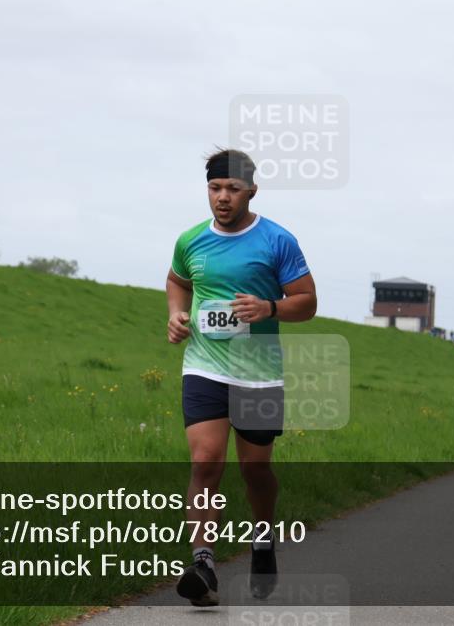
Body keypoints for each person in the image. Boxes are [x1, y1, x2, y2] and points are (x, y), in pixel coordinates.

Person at [166, 149, 317, 606]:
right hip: (204, 367)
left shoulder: (277, 241)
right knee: (205, 462)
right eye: (215, 188)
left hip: (259, 374)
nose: (223, 198)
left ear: (252, 190)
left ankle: (263, 538)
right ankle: (204, 562)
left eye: (232, 189)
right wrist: (175, 314)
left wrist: (269, 307)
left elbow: (307, 302)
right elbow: (177, 281)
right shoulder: (191, 240)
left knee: (256, 470)